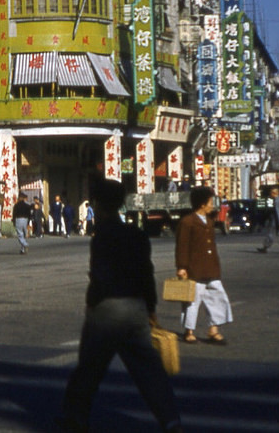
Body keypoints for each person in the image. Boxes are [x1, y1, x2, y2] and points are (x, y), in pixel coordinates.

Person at [58, 180, 183, 433]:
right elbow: (146, 273)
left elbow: (100, 275)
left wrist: (93, 303)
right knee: (149, 370)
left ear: (98, 204)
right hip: (135, 308)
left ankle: (76, 419)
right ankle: (171, 420)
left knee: (89, 370)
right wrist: (150, 308)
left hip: (106, 311)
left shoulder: (103, 235)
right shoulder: (136, 235)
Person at [175, 186, 233, 345]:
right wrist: (182, 267)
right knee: (192, 301)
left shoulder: (208, 221)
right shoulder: (187, 222)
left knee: (218, 297)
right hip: (194, 269)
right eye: (210, 202)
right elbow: (182, 246)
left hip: (210, 268)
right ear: (202, 204)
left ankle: (213, 330)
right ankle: (189, 332)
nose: (212, 205)